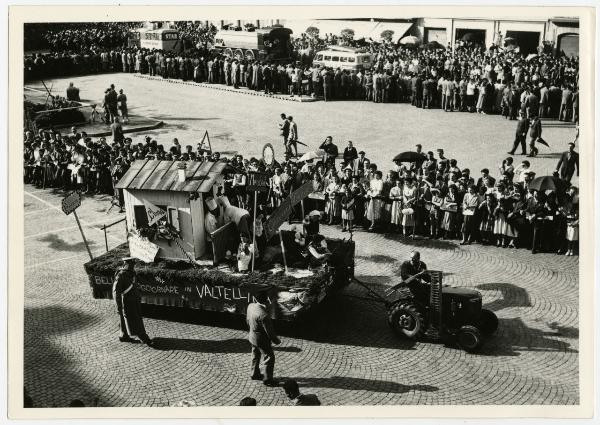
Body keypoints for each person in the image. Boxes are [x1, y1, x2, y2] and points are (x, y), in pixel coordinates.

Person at [112, 257, 154, 347]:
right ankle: (145, 339)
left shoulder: (131, 273)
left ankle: (123, 335)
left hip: (134, 300)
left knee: (125, 318)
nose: (133, 267)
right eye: (131, 265)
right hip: (127, 302)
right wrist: (118, 306)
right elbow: (116, 292)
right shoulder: (120, 275)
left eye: (133, 265)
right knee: (135, 320)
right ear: (126, 265)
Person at [246, 289, 280, 387]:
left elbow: (247, 321)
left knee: (255, 354)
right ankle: (268, 379)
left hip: (252, 336)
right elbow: (269, 331)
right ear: (266, 300)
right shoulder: (263, 315)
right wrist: (276, 340)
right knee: (269, 357)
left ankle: (254, 373)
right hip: (261, 339)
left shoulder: (250, 306)